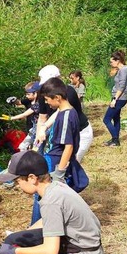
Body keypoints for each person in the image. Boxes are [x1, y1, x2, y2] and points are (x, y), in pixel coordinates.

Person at [0, 150, 103, 254]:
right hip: (71, 242)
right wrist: (17, 242)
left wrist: (15, 251)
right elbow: (47, 222)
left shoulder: (52, 201)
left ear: (32, 178)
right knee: (13, 240)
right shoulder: (54, 186)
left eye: (18, 181)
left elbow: (50, 251)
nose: (17, 186)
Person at [30, 78, 88, 224]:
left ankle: (36, 230)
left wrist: (59, 173)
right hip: (53, 159)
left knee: (43, 197)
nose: (47, 103)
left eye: (47, 100)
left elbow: (68, 146)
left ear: (58, 97)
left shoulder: (66, 116)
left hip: (55, 162)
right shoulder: (66, 112)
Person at [35, 65, 93, 163]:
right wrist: (37, 140)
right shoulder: (43, 94)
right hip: (61, 135)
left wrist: (44, 128)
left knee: (69, 164)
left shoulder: (68, 92)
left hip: (80, 133)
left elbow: (59, 113)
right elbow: (42, 118)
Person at [103, 50, 127, 147]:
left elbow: (122, 86)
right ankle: (114, 139)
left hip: (119, 98)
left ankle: (115, 140)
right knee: (116, 119)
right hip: (119, 97)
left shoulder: (124, 70)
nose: (110, 63)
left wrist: (114, 99)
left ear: (118, 60)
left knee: (106, 119)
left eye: (112, 61)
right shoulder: (122, 69)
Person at [0, 81, 40, 152]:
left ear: (35, 93)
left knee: (35, 146)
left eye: (28, 94)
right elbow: (19, 102)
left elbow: (24, 114)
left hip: (38, 127)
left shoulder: (39, 103)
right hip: (30, 125)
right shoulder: (28, 100)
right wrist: (14, 100)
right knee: (26, 146)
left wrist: (11, 118)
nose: (26, 96)